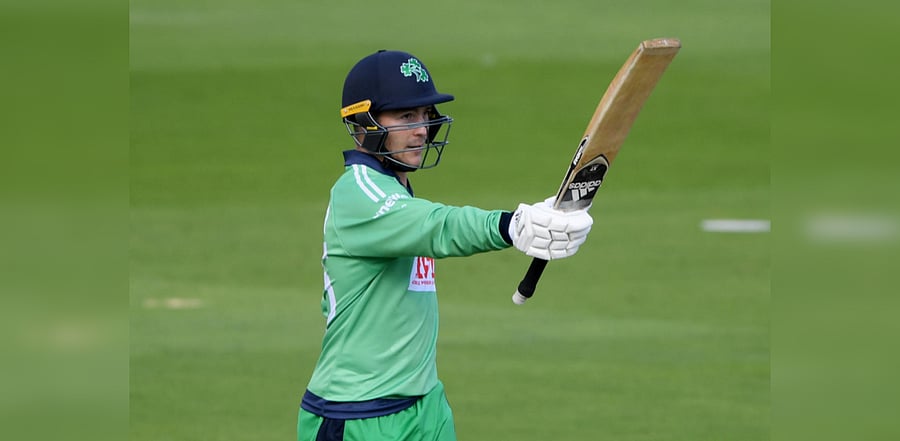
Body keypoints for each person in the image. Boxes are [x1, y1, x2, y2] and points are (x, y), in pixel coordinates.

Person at [297, 49, 594, 441]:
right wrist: (513, 225)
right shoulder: (358, 193)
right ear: (363, 123)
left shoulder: (395, 190)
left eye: (424, 115)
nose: (422, 128)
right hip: (357, 415)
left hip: (425, 405)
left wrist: (535, 219)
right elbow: (439, 226)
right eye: (405, 116)